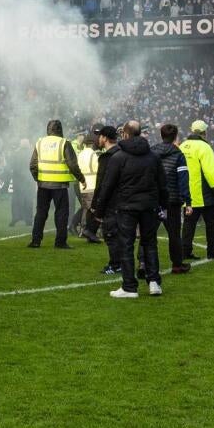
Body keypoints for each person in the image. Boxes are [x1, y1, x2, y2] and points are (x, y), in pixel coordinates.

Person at [93, 121, 169, 298]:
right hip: (149, 205)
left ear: (125, 135)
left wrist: (99, 211)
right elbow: (162, 185)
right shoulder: (153, 157)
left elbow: (107, 186)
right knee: (149, 243)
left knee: (126, 244)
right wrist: (163, 206)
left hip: (126, 207)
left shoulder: (118, 158)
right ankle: (154, 282)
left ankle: (129, 287)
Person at [28, 119, 85, 249]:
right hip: (60, 185)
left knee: (41, 213)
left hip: (43, 185)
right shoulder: (64, 143)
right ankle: (60, 242)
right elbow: (72, 164)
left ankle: (35, 241)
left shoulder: (40, 142)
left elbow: (32, 165)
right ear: (60, 129)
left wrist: (38, 179)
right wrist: (81, 179)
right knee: (61, 213)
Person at [179, 121, 214, 261]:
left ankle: (185, 251)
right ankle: (213, 251)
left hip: (188, 193)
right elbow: (210, 172)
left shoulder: (183, 146)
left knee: (188, 225)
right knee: (212, 224)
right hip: (205, 193)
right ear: (204, 132)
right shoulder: (205, 147)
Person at [149, 124, 191, 275]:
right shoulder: (178, 154)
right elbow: (183, 179)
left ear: (161, 135)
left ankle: (143, 263)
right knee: (174, 234)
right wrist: (188, 201)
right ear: (175, 137)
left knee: (149, 232)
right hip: (172, 200)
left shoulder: (152, 152)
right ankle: (177, 265)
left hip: (154, 199)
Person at [88, 126, 123, 274]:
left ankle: (115, 264)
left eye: (100, 136)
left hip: (111, 201)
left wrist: (96, 204)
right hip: (124, 199)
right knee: (122, 233)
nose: (98, 139)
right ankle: (122, 262)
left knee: (111, 233)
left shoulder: (107, 157)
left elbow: (101, 183)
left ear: (104, 138)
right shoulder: (123, 153)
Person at [71, 134, 100, 242]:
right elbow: (98, 170)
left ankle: (83, 230)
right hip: (92, 185)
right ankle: (86, 231)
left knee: (85, 208)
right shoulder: (93, 154)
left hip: (83, 185)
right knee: (90, 210)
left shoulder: (81, 154)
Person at [8, 138, 34, 227]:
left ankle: (15, 217)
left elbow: (12, 166)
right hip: (29, 181)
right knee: (29, 200)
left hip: (18, 181)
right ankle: (29, 220)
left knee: (16, 200)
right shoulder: (32, 153)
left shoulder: (16, 153)